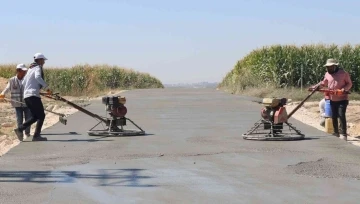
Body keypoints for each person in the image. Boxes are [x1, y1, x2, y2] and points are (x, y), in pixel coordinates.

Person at [13, 53, 52, 142]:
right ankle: (36, 136)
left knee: (35, 116)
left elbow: (23, 83)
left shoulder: (30, 70)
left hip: (27, 96)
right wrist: (47, 88)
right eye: (43, 60)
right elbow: (38, 77)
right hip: (33, 95)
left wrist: (33, 88)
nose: (44, 62)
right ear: (39, 60)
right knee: (41, 115)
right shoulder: (37, 68)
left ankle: (20, 129)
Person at [317, 58, 352, 140]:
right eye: (328, 67)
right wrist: (316, 87)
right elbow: (323, 83)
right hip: (332, 98)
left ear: (335, 66)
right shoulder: (327, 74)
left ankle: (343, 134)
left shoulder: (343, 74)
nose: (329, 69)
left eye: (331, 67)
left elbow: (349, 84)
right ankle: (336, 132)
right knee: (334, 116)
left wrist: (344, 89)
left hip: (342, 99)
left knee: (341, 115)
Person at [0, 64, 32, 137]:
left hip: (27, 103)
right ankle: (20, 134)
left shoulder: (27, 80)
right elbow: (7, 88)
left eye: (25, 71)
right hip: (17, 104)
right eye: (23, 71)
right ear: (18, 71)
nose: (24, 72)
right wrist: (2, 94)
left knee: (28, 119)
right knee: (19, 119)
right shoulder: (12, 80)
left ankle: (27, 133)